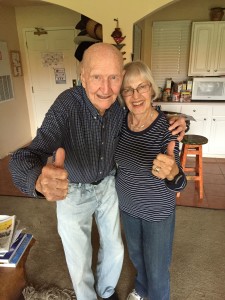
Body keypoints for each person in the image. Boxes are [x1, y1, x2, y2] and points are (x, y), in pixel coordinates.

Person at [9, 43, 186, 300]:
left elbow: (145, 111)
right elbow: (27, 154)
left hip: (107, 186)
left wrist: (179, 119)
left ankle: (106, 292)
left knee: (115, 248)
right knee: (79, 258)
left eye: (114, 78)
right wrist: (37, 181)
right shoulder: (67, 105)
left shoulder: (119, 107)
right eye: (97, 77)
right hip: (73, 191)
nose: (106, 88)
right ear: (83, 77)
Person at [115, 61, 187, 300]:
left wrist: (172, 173)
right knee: (136, 256)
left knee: (157, 267)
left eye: (142, 87)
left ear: (151, 90)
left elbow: (179, 183)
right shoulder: (119, 122)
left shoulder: (168, 128)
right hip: (127, 206)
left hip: (157, 211)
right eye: (128, 89)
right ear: (122, 95)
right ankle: (142, 290)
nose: (136, 96)